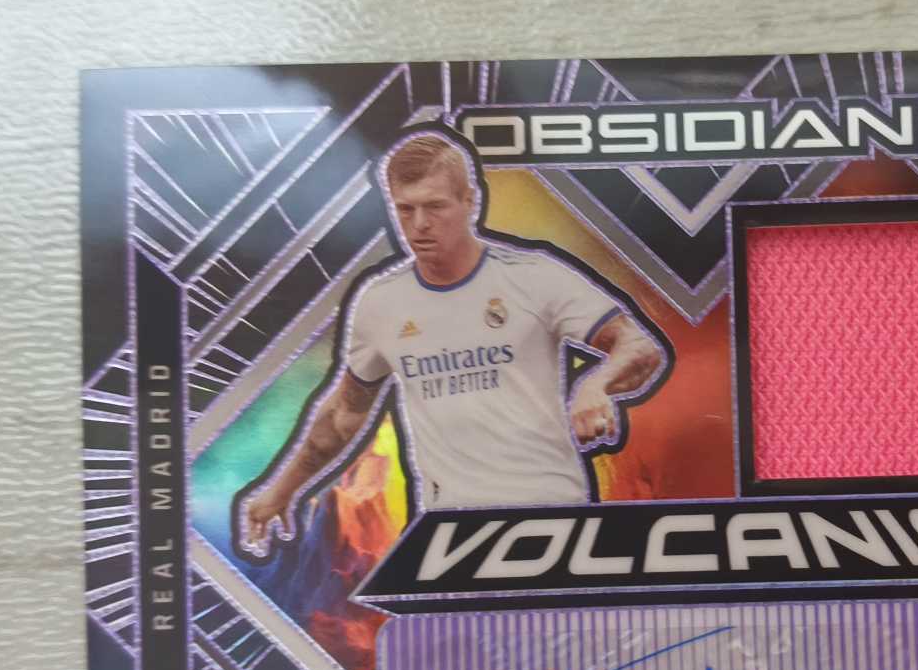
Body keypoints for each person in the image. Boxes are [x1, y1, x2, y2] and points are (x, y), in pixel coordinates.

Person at [235, 127, 670, 557]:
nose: (419, 225)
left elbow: (639, 347)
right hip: (449, 532)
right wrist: (281, 491)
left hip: (550, 515)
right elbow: (342, 417)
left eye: (435, 206)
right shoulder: (380, 302)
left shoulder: (533, 276)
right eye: (405, 209)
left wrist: (596, 385)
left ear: (470, 201)